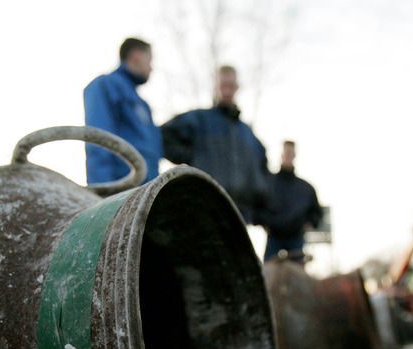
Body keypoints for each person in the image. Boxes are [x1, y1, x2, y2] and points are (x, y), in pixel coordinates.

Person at [161, 65, 271, 225]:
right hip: (203, 206)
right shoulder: (199, 120)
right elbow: (164, 136)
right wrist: (192, 157)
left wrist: (259, 200)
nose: (227, 91)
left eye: (231, 86)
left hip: (240, 214)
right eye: (223, 85)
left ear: (237, 88)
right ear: (215, 87)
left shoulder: (247, 134)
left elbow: (263, 168)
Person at [83, 37, 161, 184]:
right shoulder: (105, 86)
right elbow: (99, 140)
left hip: (146, 194)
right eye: (149, 60)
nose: (151, 68)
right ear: (136, 56)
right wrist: (101, 192)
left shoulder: (143, 105)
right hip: (120, 192)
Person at [264, 141, 322, 262]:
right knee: (268, 274)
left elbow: (316, 212)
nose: (288, 156)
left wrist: (309, 224)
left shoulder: (306, 188)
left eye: (291, 153)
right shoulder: (268, 183)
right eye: (286, 153)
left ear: (294, 155)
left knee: (297, 276)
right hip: (274, 236)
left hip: (295, 237)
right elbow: (257, 206)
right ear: (281, 154)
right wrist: (264, 222)